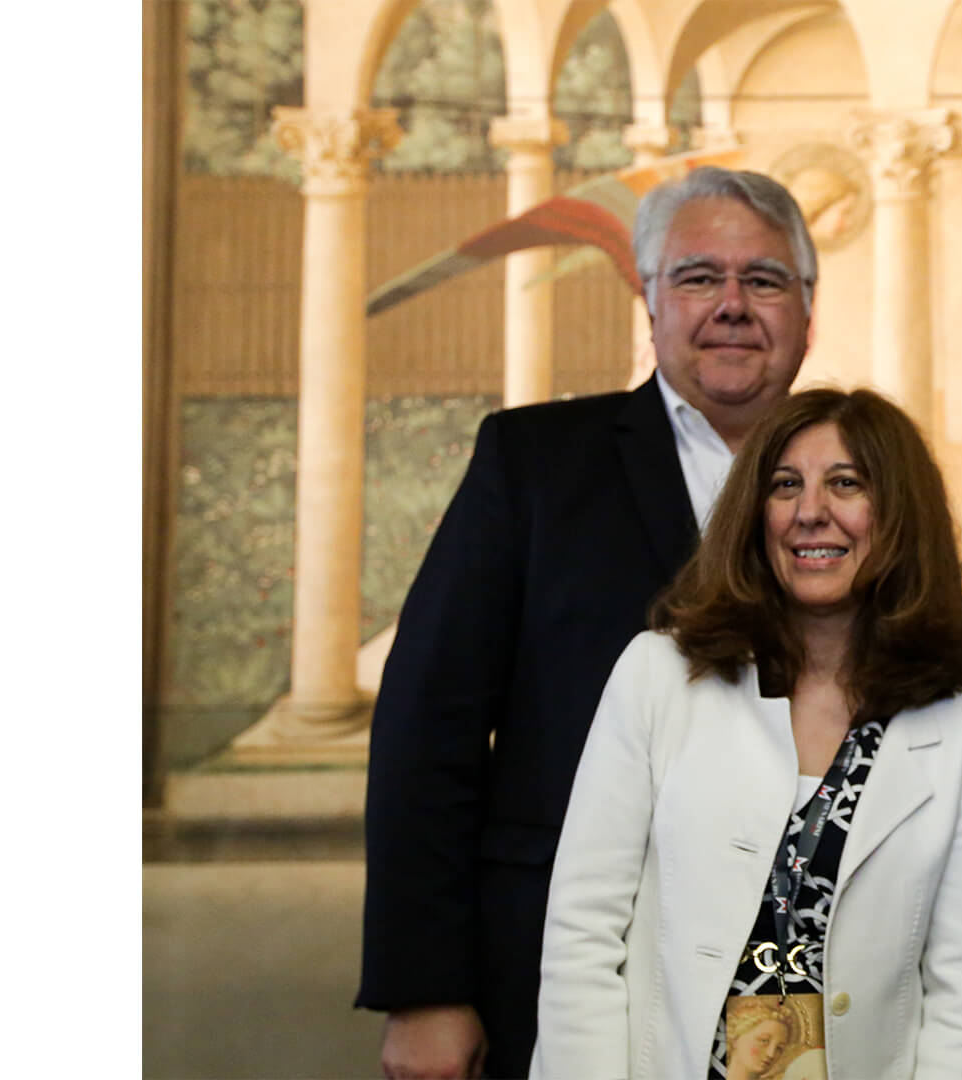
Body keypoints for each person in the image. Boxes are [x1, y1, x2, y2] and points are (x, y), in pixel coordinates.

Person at [356, 166, 819, 1080]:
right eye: (696, 277)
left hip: (795, 971)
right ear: (648, 302)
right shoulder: (532, 464)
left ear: (808, 309)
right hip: (564, 965)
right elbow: (429, 722)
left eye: (763, 280)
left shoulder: (861, 486)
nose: (731, 304)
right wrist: (424, 988)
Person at [533, 388, 962, 1079]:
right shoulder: (658, 678)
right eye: (785, 485)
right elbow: (582, 936)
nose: (809, 512)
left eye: (846, 483)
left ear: (901, 515)